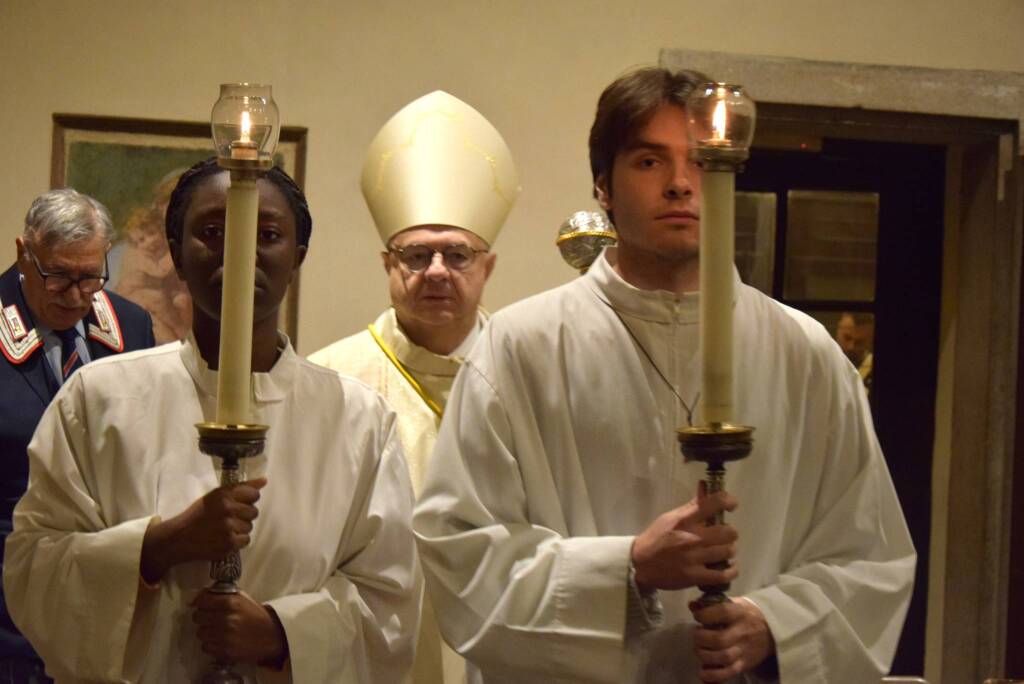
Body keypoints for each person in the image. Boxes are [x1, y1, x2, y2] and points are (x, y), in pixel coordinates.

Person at [413, 67, 916, 683]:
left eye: (703, 162)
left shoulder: (807, 355)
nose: (681, 184)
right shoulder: (520, 348)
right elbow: (462, 556)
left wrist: (774, 622)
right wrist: (627, 568)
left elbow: (871, 557)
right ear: (603, 185)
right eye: (650, 162)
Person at [4, 159, 420, 683]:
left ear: (298, 257)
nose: (238, 250)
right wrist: (159, 548)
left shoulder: (358, 420)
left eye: (266, 233)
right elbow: (32, 571)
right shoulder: (98, 398)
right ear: (177, 253)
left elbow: (392, 601)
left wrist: (281, 633)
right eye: (212, 231)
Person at [309, 90, 519, 684]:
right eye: (415, 254)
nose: (435, 271)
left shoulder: (528, 374)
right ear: (386, 264)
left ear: (488, 267)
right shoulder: (331, 382)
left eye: (457, 254)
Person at [0, 188, 155, 682]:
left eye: (90, 277)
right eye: (59, 275)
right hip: (9, 612)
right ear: (25, 253)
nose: (75, 296)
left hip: (110, 605)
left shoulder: (132, 326)